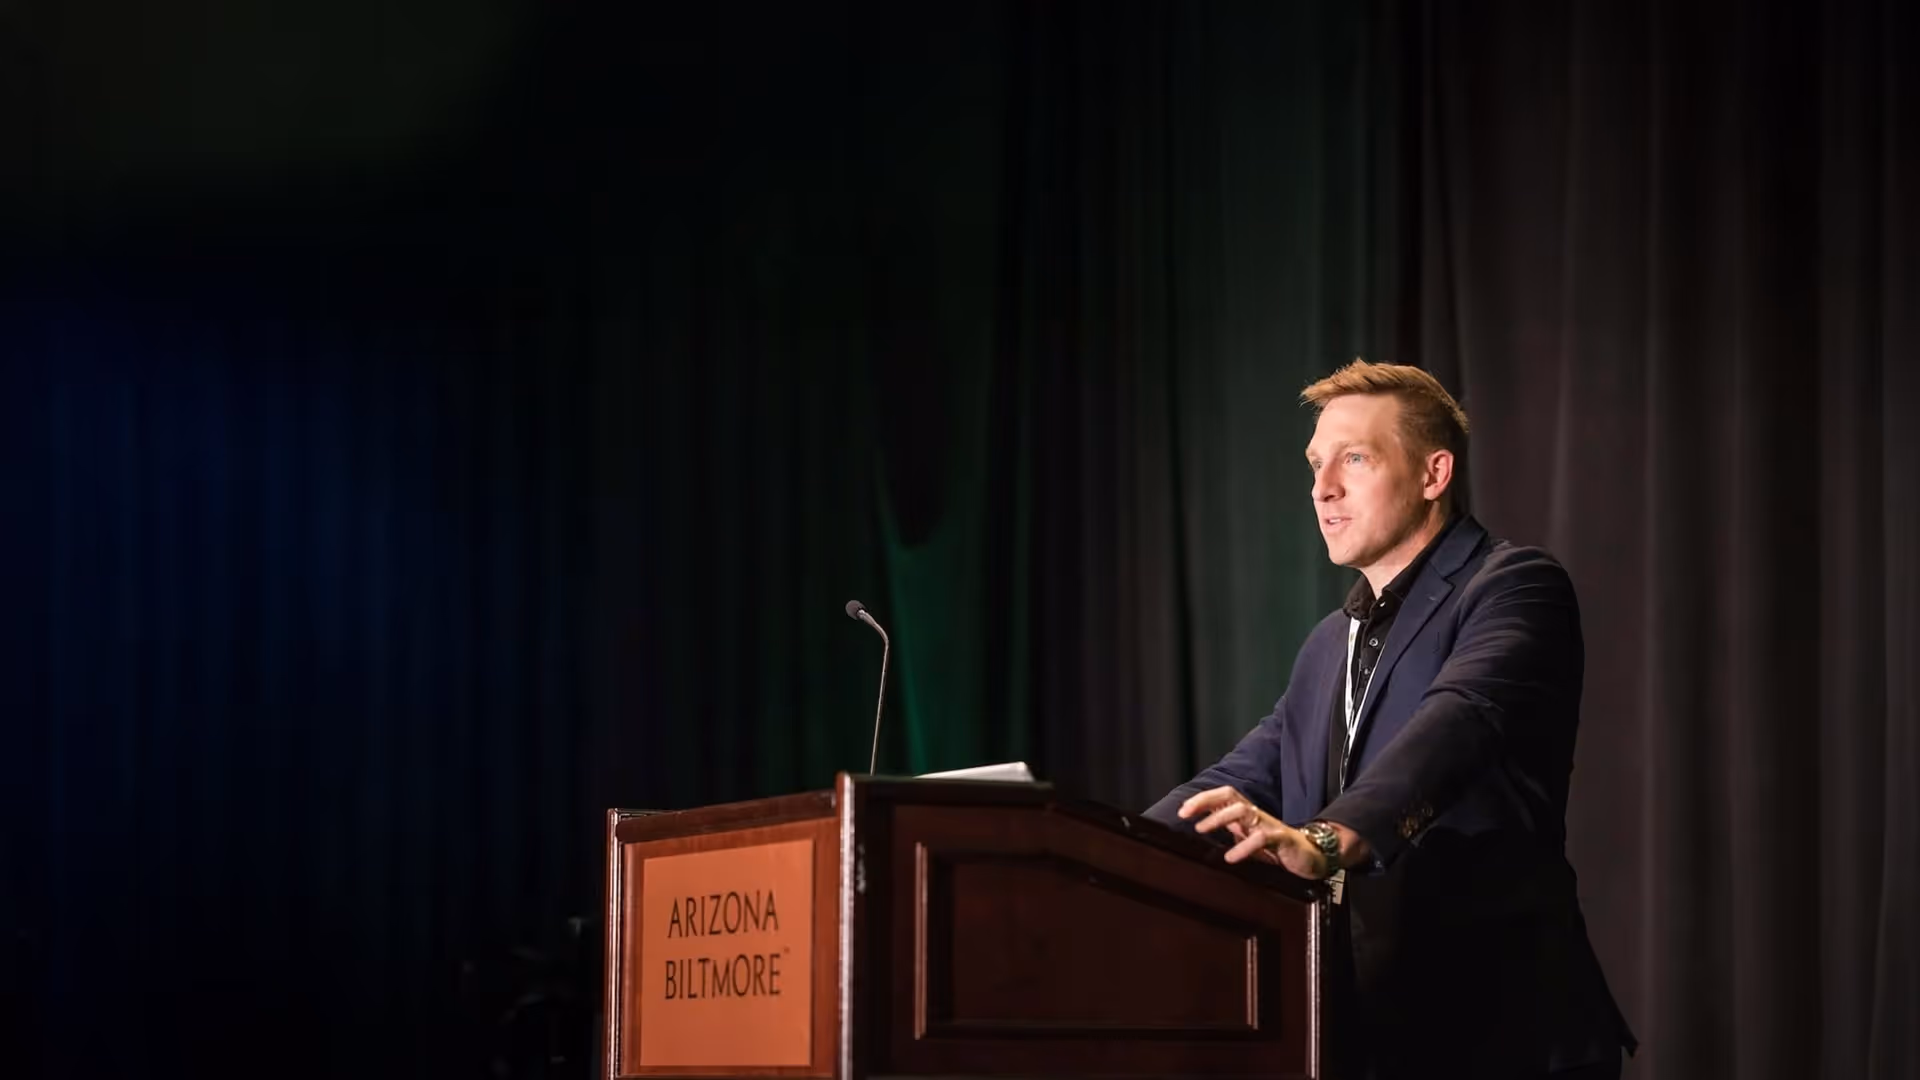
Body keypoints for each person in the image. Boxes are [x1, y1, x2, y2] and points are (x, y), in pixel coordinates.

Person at [1146, 361, 1636, 1079]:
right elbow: (1241, 778)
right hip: (1364, 1036)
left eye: (1354, 459)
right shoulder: (1325, 646)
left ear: (1434, 474)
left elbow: (1457, 726)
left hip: (1502, 1035)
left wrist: (1322, 839)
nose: (1322, 488)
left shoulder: (1514, 586)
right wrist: (1095, 859)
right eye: (1315, 464)